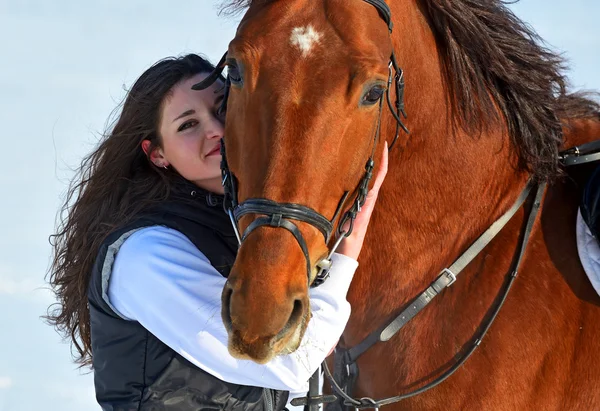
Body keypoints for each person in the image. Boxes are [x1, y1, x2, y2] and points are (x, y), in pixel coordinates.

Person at [46, 53, 388, 411]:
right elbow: (284, 363)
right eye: (187, 125)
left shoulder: (245, 229)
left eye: (223, 108)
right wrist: (349, 246)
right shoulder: (144, 253)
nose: (216, 129)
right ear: (157, 154)